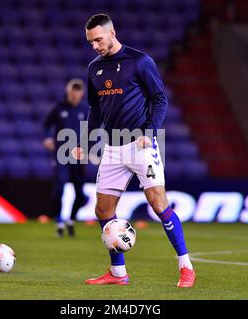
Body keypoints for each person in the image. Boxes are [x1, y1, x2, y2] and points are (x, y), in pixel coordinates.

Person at [72, 14, 196, 287]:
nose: (95, 46)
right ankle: (118, 274)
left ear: (112, 32)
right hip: (113, 148)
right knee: (103, 211)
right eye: (90, 42)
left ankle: (186, 266)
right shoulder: (94, 68)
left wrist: (149, 132)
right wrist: (84, 141)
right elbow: (95, 111)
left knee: (158, 203)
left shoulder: (140, 61)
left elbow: (159, 99)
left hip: (140, 144)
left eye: (98, 40)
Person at [43, 79, 89, 237]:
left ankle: (71, 219)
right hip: (61, 155)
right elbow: (46, 125)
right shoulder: (59, 108)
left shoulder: (85, 110)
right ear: (68, 92)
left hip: (79, 156)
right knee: (59, 188)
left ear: (81, 94)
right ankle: (59, 221)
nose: (75, 96)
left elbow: (92, 131)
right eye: (73, 93)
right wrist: (48, 138)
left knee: (81, 194)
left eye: (78, 93)